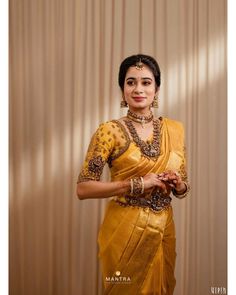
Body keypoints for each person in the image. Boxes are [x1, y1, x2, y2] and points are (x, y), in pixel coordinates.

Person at [77, 54, 190, 295]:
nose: (138, 89)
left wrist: (179, 185)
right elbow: (84, 188)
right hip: (124, 229)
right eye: (131, 82)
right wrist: (137, 184)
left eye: (146, 82)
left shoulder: (175, 130)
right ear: (122, 89)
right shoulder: (109, 131)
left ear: (156, 88)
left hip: (163, 227)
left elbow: (183, 184)